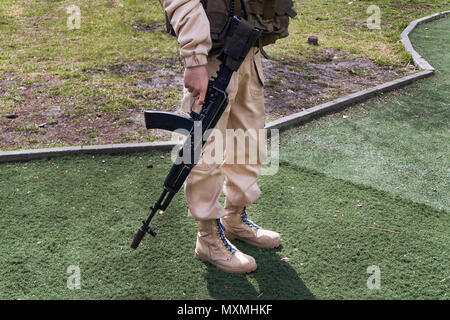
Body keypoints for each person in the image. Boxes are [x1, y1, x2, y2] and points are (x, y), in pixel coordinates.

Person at [163, 0, 282, 274]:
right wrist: (194, 59)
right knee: (205, 151)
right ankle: (208, 239)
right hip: (213, 59)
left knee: (249, 142)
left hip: (247, 47)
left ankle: (234, 219)